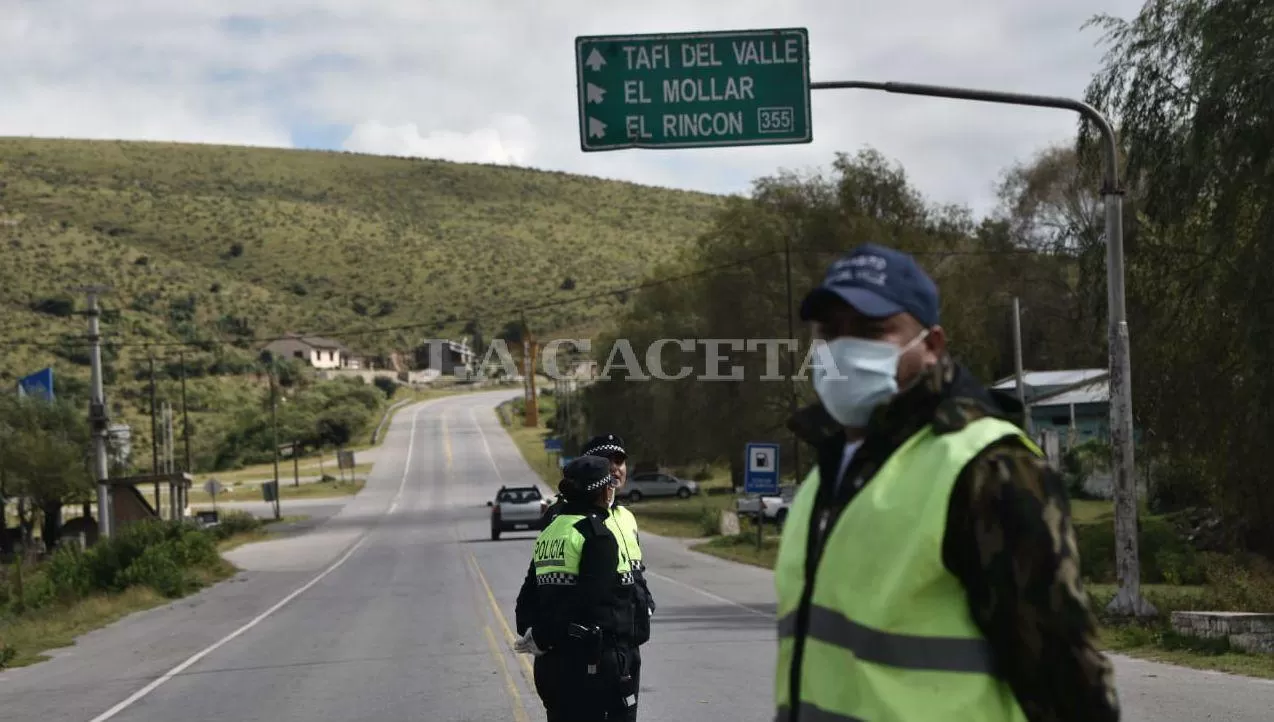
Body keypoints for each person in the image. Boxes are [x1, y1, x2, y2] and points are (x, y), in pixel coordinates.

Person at [773, 243, 1121, 722]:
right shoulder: (827, 473)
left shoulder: (988, 468)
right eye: (830, 333)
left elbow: (1067, 685)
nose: (844, 350)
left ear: (932, 346)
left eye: (873, 331)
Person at [514, 455, 640, 722]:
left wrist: (534, 634)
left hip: (550, 667)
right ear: (606, 491)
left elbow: (526, 598)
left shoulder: (551, 531)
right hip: (591, 666)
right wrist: (546, 635)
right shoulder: (597, 535)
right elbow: (591, 601)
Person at [581, 433, 655, 716]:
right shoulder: (578, 518)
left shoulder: (626, 517)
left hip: (630, 643)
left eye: (620, 460)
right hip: (595, 648)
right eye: (606, 461)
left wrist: (646, 601)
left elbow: (636, 570)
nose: (615, 468)